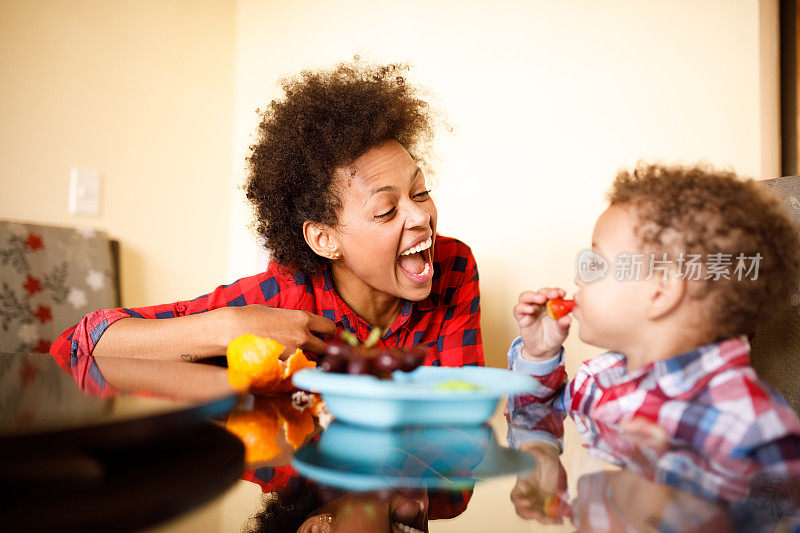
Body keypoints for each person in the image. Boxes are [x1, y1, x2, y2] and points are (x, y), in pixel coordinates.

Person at [50, 60, 484, 395]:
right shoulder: (284, 297)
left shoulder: (453, 267)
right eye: (387, 210)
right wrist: (231, 329)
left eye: (421, 192)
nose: (421, 216)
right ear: (324, 239)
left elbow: (464, 422)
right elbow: (78, 343)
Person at [507, 163, 800, 474]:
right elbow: (531, 424)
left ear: (661, 292)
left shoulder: (750, 422)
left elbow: (778, 515)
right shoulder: (599, 379)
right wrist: (539, 355)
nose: (579, 276)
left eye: (596, 263)